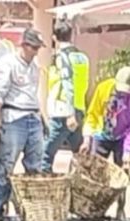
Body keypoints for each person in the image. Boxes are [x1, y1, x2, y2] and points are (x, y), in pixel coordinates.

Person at [0, 28, 46, 216]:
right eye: (33, 47)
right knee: (6, 165)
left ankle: (31, 209)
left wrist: (42, 119)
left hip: (33, 115)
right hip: (13, 116)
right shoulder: (8, 63)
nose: (35, 52)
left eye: (38, 48)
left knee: (35, 165)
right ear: (24, 45)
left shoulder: (35, 66)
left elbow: (34, 94)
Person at [43, 20, 90, 171]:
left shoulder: (62, 57)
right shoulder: (82, 57)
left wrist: (69, 113)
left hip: (63, 112)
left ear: (54, 38)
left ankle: (45, 189)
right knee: (78, 154)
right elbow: (84, 83)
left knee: (45, 155)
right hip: (79, 108)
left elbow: (68, 83)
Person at [81, 67, 130, 167]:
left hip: (122, 138)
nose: (122, 93)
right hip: (101, 134)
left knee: (122, 169)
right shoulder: (103, 88)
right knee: (95, 169)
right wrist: (87, 139)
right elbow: (93, 114)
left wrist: (127, 151)